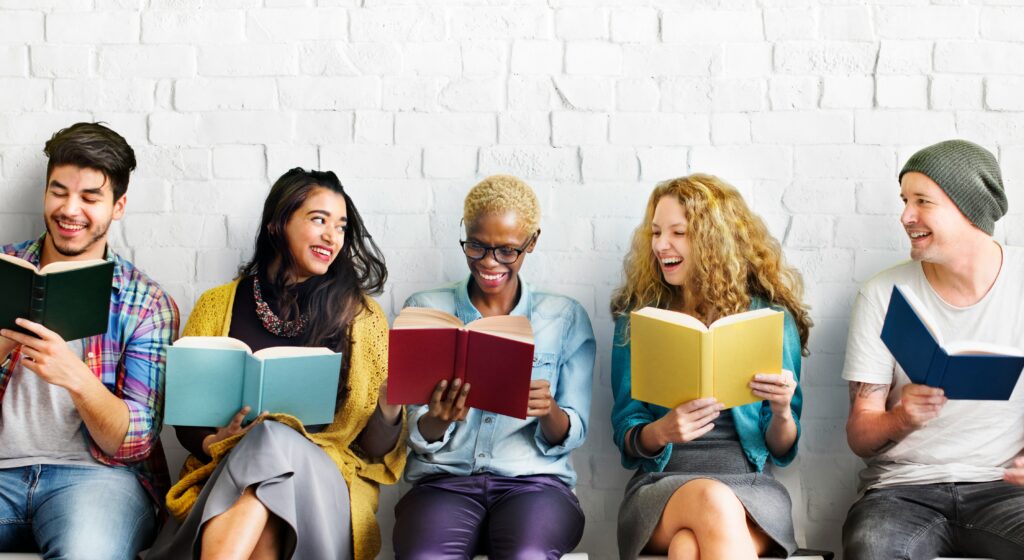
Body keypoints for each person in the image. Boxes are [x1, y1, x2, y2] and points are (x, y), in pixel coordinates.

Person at [147, 168, 406, 560]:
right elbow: (187, 418)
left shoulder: (363, 318)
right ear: (276, 223)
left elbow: (371, 450)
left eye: (340, 226)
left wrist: (389, 406)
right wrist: (211, 442)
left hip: (323, 490)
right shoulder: (218, 305)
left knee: (271, 436)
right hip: (231, 480)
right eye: (318, 219)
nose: (331, 236)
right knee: (266, 491)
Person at [392, 174, 595, 559]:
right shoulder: (426, 309)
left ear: (531, 242)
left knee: (527, 555)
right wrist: (440, 418)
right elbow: (414, 428)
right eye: (476, 246)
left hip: (535, 485)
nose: (488, 262)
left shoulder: (563, 317)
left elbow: (575, 430)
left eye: (506, 251)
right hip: (444, 484)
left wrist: (548, 411)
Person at [610, 174, 812, 560]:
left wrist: (784, 410)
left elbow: (782, 450)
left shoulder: (770, 320)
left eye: (678, 233)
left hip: (751, 488)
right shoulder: (639, 322)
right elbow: (626, 435)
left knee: (687, 548)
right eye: (655, 232)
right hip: (661, 487)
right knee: (711, 499)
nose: (660, 245)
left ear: (713, 240)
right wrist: (661, 430)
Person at [0, 122, 179, 558]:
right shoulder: (3, 270)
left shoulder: (147, 303)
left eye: (90, 197)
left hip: (99, 480)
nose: (70, 209)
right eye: (58, 191)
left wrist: (76, 378)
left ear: (117, 206)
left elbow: (134, 441)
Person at [842, 139, 1024, 560]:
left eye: (923, 201)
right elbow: (859, 433)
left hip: (1002, 489)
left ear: (970, 209)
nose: (906, 216)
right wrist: (901, 417)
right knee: (870, 549)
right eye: (905, 200)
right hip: (901, 493)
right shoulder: (883, 295)